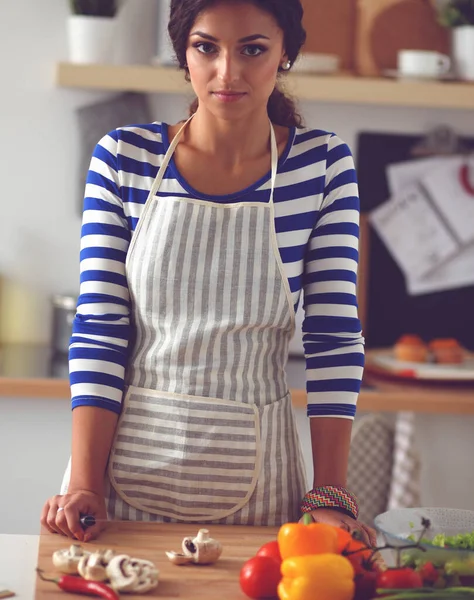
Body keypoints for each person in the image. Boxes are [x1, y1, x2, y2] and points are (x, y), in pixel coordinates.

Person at [41, 0, 375, 545]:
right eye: (207, 47)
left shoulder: (322, 166)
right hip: (117, 486)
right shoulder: (124, 158)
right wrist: (84, 485)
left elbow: (333, 337)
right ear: (184, 54)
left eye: (253, 49)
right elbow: (101, 329)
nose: (228, 72)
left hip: (260, 482)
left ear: (285, 53)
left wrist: (330, 492)